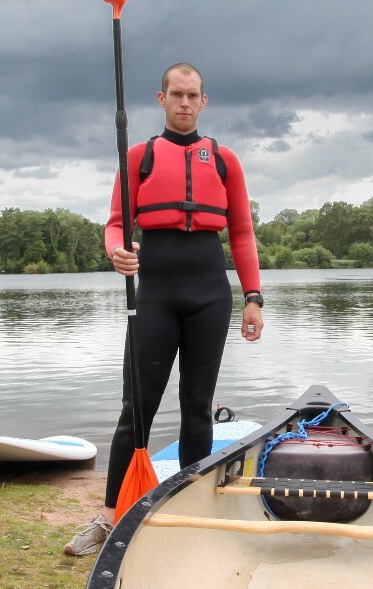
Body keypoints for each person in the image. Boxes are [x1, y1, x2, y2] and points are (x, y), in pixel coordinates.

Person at [65, 63, 263, 555]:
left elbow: (241, 234)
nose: (185, 102)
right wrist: (117, 251)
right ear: (162, 98)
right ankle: (110, 518)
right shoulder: (138, 156)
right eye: (177, 94)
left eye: (193, 95)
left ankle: (189, 512)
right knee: (136, 411)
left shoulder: (224, 160)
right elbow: (115, 223)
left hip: (209, 294)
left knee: (197, 410)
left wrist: (253, 297)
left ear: (204, 101)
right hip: (153, 293)